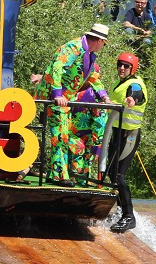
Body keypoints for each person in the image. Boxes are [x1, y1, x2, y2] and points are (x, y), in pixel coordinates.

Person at [41, 23, 113, 186]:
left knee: (64, 134)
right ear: (100, 40)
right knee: (60, 134)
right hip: (56, 96)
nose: (104, 46)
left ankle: (54, 173)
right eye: (104, 43)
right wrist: (57, 94)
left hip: (67, 99)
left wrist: (105, 98)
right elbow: (57, 67)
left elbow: (94, 78)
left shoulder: (89, 54)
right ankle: (59, 176)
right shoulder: (74, 47)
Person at [104, 52, 148, 233]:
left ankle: (129, 216)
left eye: (126, 66)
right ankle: (122, 211)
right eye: (119, 65)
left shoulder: (135, 84)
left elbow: (137, 94)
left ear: (133, 68)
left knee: (118, 176)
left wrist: (133, 98)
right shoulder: (118, 83)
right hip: (117, 134)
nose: (121, 68)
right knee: (111, 174)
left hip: (129, 136)